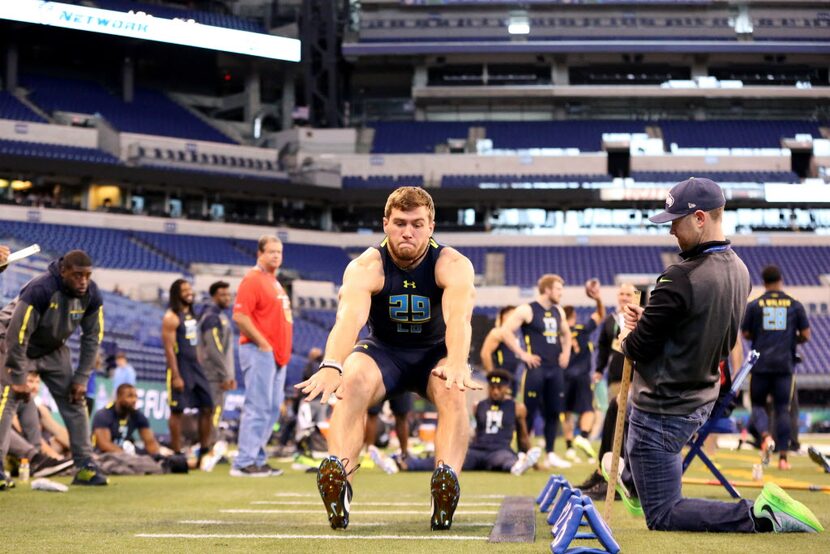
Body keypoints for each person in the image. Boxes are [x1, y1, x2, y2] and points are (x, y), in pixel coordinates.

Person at [620, 176, 822, 533]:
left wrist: (630, 332)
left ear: (700, 218)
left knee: (664, 513)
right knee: (646, 479)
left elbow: (637, 349)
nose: (671, 233)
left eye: (675, 223)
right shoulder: (740, 270)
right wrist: (651, 319)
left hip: (662, 408)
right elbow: (694, 325)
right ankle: (630, 479)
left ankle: (758, 514)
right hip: (700, 399)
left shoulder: (679, 277)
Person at [296, 186, 478, 530]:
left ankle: (446, 482)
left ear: (431, 226)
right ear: (385, 224)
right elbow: (348, 320)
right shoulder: (366, 267)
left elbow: (459, 320)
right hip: (384, 352)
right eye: (399, 223)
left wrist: (456, 361)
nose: (407, 231)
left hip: (434, 352)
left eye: (417, 223)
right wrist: (332, 364)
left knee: (455, 389)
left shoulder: (453, 265)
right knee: (351, 380)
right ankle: (341, 478)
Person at [0, 249, 107, 488]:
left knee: (75, 399)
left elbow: (92, 337)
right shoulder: (41, 289)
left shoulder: (91, 294)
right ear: (63, 271)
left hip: (52, 348)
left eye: (87, 276)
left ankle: (85, 466)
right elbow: (17, 335)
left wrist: (81, 377)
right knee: (8, 398)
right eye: (78, 275)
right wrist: (18, 377)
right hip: (10, 341)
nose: (83, 281)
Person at [388, 370, 540, 474]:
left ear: (506, 388)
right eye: (492, 387)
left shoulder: (517, 407)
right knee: (450, 461)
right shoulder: (479, 406)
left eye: (499, 387)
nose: (495, 391)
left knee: (505, 460)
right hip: (477, 449)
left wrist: (533, 461)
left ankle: (518, 465)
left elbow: (523, 437)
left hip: (500, 449)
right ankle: (403, 464)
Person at [232, 235, 293, 477]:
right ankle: (244, 462)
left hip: (277, 355)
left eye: (279, 252)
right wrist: (263, 343)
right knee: (257, 407)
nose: (276, 256)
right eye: (271, 252)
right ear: (260, 253)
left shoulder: (273, 281)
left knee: (270, 409)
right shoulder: (253, 279)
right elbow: (239, 316)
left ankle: (257, 457)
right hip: (259, 351)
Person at [500, 274, 572, 469]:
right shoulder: (527, 309)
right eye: (558, 289)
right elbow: (505, 331)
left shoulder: (559, 311)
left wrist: (566, 352)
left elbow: (566, 334)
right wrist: (522, 354)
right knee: (528, 412)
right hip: (535, 369)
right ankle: (522, 453)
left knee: (554, 411)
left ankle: (550, 453)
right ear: (547, 289)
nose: (561, 293)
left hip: (555, 369)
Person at [742, 265, 810, 470]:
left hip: (760, 365)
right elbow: (806, 335)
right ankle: (783, 459)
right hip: (784, 366)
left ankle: (765, 436)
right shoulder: (794, 305)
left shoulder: (754, 305)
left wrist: (761, 337)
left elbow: (745, 334)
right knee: (783, 410)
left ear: (763, 282)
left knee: (758, 406)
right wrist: (790, 339)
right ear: (781, 279)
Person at [575, 282, 637, 497]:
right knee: (616, 418)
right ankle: (608, 470)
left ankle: (623, 472)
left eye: (628, 294)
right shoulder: (611, 320)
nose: (624, 297)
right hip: (616, 375)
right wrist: (599, 369)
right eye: (621, 294)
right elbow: (602, 346)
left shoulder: (643, 318)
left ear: (635, 296)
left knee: (627, 423)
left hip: (637, 377)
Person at [162, 279, 214, 463]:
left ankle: (205, 449)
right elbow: (169, 349)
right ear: (176, 294)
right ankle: (177, 453)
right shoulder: (171, 316)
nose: (189, 293)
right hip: (180, 366)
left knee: (208, 406)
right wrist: (176, 375)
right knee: (177, 411)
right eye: (184, 290)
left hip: (195, 366)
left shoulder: (191, 315)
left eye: (190, 289)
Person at [561, 279, 604, 464]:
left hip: (564, 376)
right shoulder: (582, 329)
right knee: (588, 410)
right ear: (574, 317)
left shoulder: (558, 334)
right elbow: (600, 315)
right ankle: (583, 437)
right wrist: (597, 299)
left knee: (567, 412)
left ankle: (569, 448)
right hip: (582, 376)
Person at [198, 281, 236, 455]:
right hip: (213, 374)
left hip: (216, 374)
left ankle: (210, 446)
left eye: (228, 294)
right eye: (222, 294)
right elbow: (214, 349)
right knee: (214, 411)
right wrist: (226, 374)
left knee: (213, 411)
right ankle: (211, 448)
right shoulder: (212, 317)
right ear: (213, 296)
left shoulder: (218, 316)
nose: (227, 298)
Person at [92, 383, 160, 457]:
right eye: (130, 396)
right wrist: (128, 457)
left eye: (135, 396)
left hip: (126, 451)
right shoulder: (103, 414)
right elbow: (104, 444)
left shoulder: (138, 415)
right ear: (118, 397)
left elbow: (150, 442)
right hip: (103, 455)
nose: (134, 400)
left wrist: (156, 457)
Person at [479, 305, 524, 395]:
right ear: (504, 316)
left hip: (515, 376)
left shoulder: (518, 335)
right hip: (502, 376)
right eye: (513, 315)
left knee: (511, 405)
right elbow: (485, 354)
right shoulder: (497, 333)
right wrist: (492, 376)